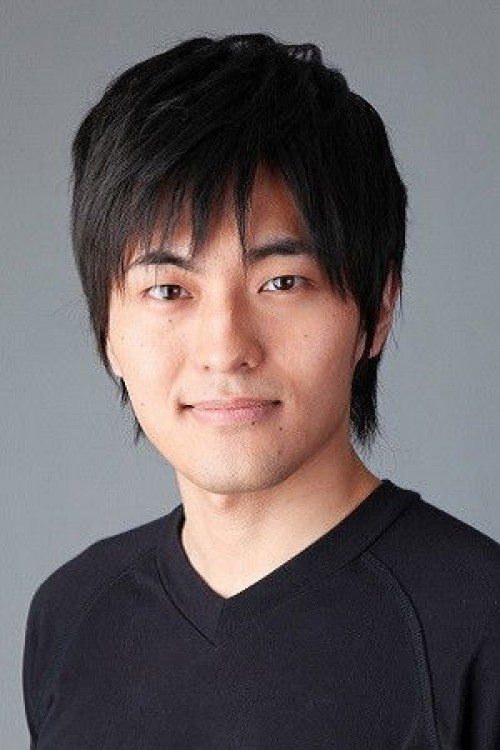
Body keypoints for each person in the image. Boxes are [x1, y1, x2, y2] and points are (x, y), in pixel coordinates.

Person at [23, 33, 500, 749]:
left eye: (281, 282)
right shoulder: (72, 614)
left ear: (377, 309)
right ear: (108, 329)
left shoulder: (479, 623)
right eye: (168, 289)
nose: (225, 349)